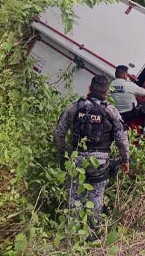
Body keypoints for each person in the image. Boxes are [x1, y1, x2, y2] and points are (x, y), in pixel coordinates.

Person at [54, 75, 130, 240]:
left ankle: (72, 235)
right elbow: (122, 139)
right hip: (99, 162)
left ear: (89, 88)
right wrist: (125, 160)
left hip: (76, 158)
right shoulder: (111, 111)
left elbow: (59, 133)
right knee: (96, 196)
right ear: (106, 92)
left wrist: (63, 154)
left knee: (75, 196)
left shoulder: (74, 107)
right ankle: (92, 235)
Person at [110, 65, 145, 133]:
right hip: (130, 113)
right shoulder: (129, 85)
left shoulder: (111, 84)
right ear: (125, 75)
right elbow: (144, 93)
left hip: (117, 114)